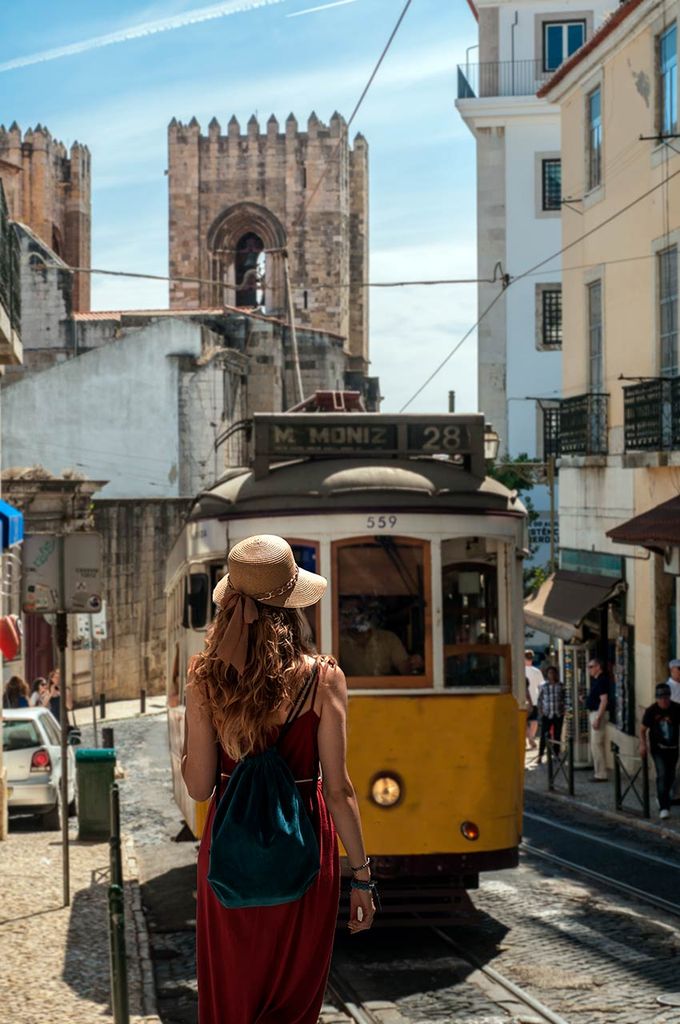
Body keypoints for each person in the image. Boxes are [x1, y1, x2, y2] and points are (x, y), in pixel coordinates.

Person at [182, 535, 375, 1024]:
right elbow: (338, 789)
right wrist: (363, 875)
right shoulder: (322, 678)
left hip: (229, 853)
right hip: (304, 848)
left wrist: (202, 724)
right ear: (293, 605)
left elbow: (200, 786)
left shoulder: (205, 678)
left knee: (233, 999)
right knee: (293, 1001)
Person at [339, 600, 423, 677]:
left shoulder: (389, 638)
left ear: (366, 615)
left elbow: (406, 670)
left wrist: (413, 664)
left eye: (356, 612)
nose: (351, 618)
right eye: (345, 614)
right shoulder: (336, 642)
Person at [640, 683, 680, 820]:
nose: (663, 701)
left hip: (673, 748)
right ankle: (664, 807)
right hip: (658, 748)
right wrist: (643, 745)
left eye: (666, 698)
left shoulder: (676, 708)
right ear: (657, 699)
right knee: (662, 774)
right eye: (661, 698)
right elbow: (642, 729)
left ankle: (661, 795)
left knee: (671, 776)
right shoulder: (651, 711)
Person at [586, 656, 610, 781]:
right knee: (595, 745)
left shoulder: (601, 680)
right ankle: (599, 772)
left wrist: (598, 718)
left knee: (597, 745)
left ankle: (601, 774)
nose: (588, 669)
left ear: (598, 667)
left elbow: (604, 701)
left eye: (591, 667)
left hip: (597, 714)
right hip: (594, 713)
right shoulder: (596, 680)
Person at [537, 666, 565, 763]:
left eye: (553, 673)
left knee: (557, 735)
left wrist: (564, 710)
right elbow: (540, 700)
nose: (551, 675)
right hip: (547, 714)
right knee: (544, 735)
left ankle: (556, 755)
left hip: (558, 714)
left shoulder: (561, 685)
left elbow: (564, 699)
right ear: (547, 674)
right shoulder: (543, 686)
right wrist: (541, 711)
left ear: (556, 674)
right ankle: (540, 755)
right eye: (549, 673)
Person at [524, 650, 544, 749]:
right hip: (535, 699)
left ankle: (529, 739)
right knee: (534, 720)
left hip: (523, 699)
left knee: (523, 721)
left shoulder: (519, 670)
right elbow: (541, 686)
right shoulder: (537, 671)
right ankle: (531, 738)